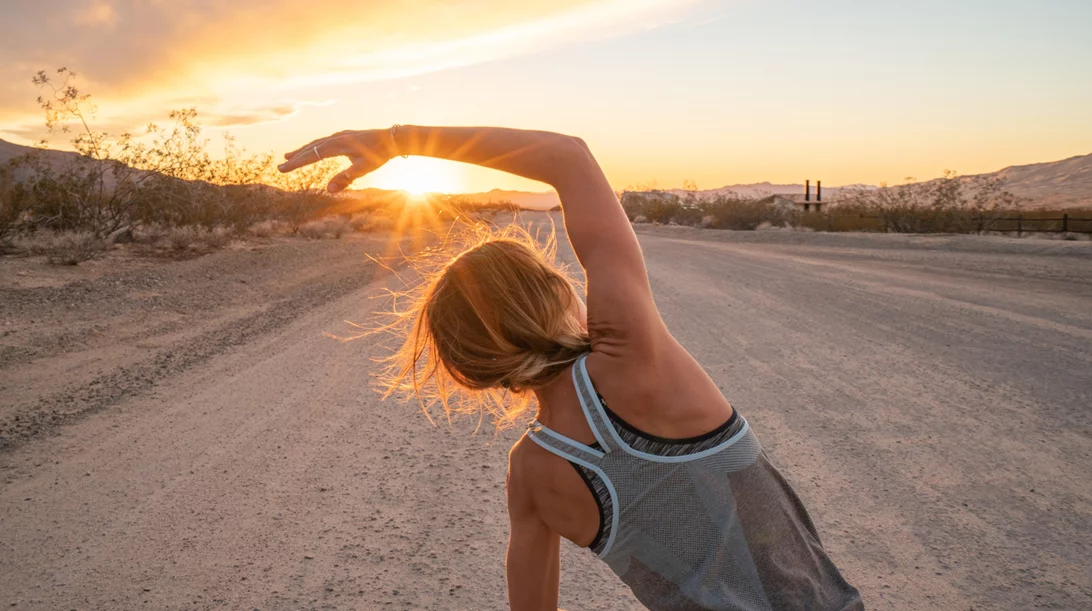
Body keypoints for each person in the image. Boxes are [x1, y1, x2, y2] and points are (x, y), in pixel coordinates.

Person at [278, 126, 864, 611]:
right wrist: (396, 140)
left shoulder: (529, 474)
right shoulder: (629, 365)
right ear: (554, 297)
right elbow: (568, 156)